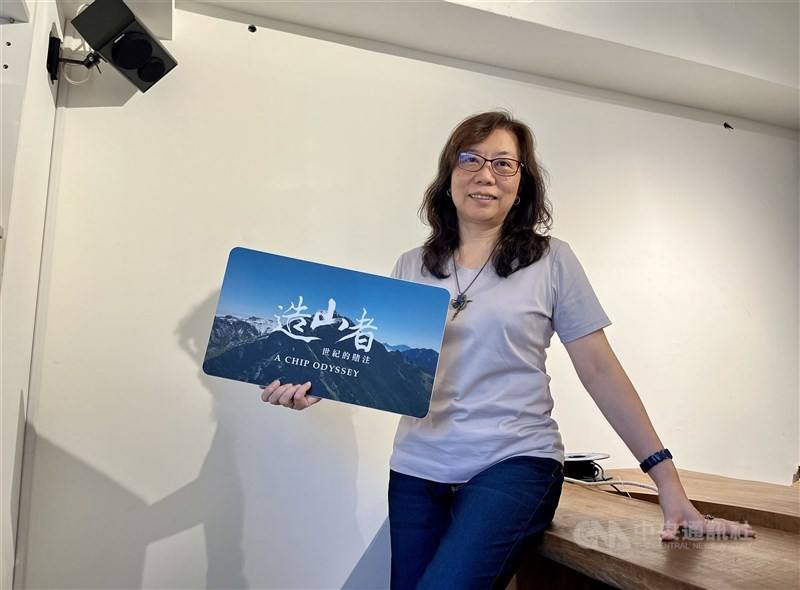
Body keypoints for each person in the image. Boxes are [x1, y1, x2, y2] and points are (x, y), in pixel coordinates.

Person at [260, 111, 755, 589]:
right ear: (448, 176)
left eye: (503, 163)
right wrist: (314, 384)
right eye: (470, 159)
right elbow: (379, 365)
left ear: (522, 183)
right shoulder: (411, 265)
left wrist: (667, 482)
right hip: (416, 467)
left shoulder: (551, 260)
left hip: (514, 461)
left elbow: (601, 371)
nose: (486, 175)